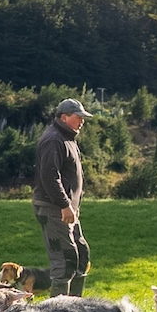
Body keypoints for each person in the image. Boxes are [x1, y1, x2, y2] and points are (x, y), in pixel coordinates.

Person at [33, 98, 91, 297]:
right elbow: (49, 176)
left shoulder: (68, 138)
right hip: (54, 209)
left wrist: (72, 207)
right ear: (64, 117)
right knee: (64, 263)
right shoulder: (54, 139)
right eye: (78, 117)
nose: (82, 121)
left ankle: (75, 308)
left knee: (81, 256)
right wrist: (65, 205)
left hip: (67, 211)